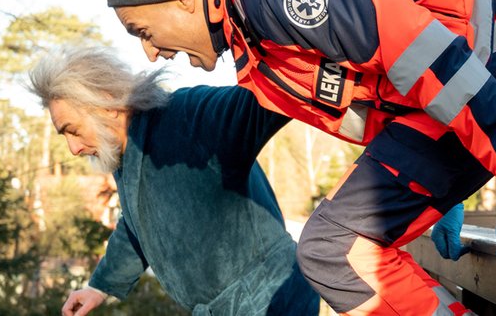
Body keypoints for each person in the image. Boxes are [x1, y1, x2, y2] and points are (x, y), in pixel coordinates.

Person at [106, 0, 496, 315]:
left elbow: (421, 52)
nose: (149, 53)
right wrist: (439, 189)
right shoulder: (251, 35)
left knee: (335, 249)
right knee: (335, 247)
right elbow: (379, 98)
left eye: (142, 30)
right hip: (461, 99)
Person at [28, 46, 320, 316]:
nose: (73, 149)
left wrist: (307, 55)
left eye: (73, 130)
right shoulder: (125, 158)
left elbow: (260, 102)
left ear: (107, 103)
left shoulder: (186, 117)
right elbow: (135, 227)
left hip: (276, 300)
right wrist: (99, 287)